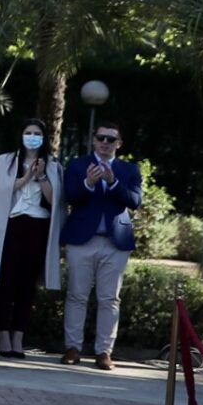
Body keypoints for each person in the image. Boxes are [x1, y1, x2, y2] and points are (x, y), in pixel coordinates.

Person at [0, 120, 58, 358]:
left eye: (37, 134)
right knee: (7, 281)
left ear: (44, 137)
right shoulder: (6, 162)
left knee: (27, 285)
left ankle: (19, 336)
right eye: (28, 133)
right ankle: (3, 335)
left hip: (38, 225)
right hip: (11, 224)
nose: (32, 137)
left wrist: (40, 177)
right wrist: (26, 176)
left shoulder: (52, 166)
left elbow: (54, 201)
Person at [60, 124, 140, 370]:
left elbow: (135, 201)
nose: (105, 142)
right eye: (101, 138)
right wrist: (88, 183)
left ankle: (104, 351)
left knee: (109, 299)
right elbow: (70, 197)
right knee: (76, 295)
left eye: (110, 139)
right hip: (83, 239)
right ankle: (73, 347)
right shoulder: (76, 165)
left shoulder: (129, 170)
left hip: (115, 242)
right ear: (94, 140)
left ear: (119, 143)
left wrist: (113, 182)